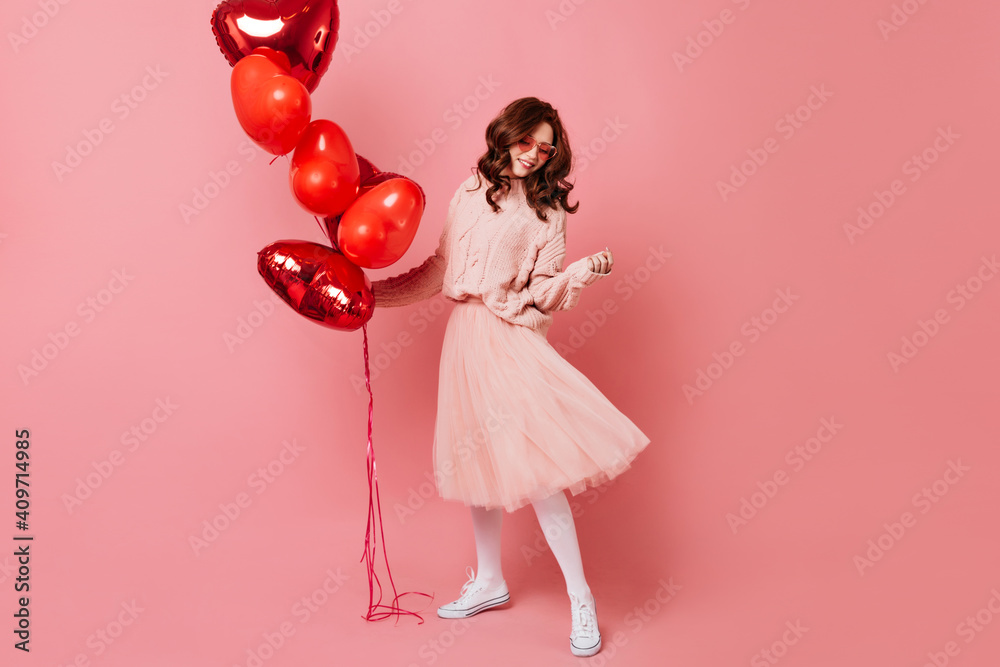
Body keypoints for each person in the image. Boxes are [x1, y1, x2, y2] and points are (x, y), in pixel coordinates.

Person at [370, 96, 650, 658]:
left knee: (540, 473)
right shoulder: (470, 191)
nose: (534, 154)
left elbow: (542, 297)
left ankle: (581, 599)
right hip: (465, 342)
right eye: (528, 141)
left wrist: (576, 275)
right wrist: (372, 296)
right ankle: (491, 581)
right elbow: (438, 271)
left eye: (546, 148)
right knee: (478, 464)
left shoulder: (549, 214)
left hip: (511, 340)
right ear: (507, 135)